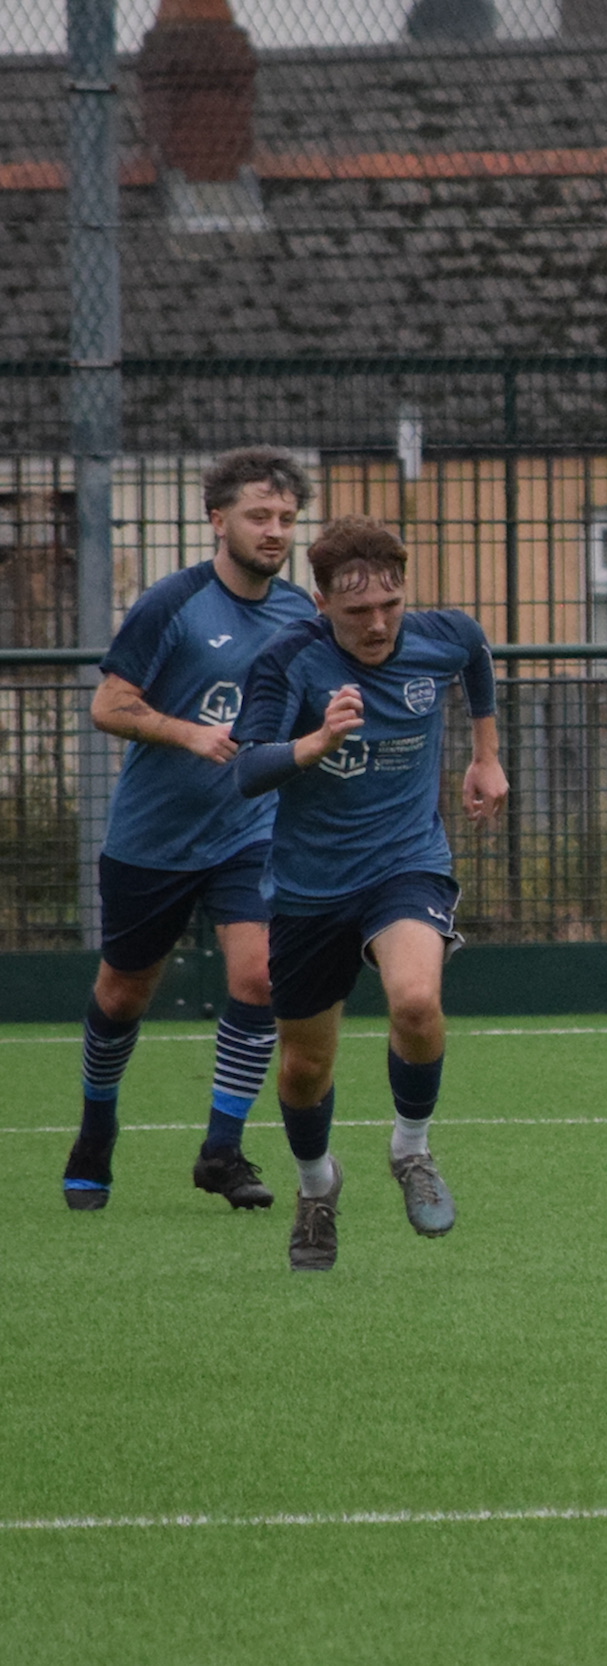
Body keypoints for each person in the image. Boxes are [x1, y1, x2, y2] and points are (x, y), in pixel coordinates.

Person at [231, 516, 507, 1272]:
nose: (379, 622)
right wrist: (316, 743)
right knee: (302, 1069)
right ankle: (317, 1189)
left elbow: (477, 651)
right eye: (358, 612)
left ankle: (411, 1151)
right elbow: (248, 769)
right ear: (320, 605)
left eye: (390, 603)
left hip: (405, 863)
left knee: (415, 1001)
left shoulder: (439, 635)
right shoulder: (288, 661)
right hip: (309, 888)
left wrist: (485, 757)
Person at [62, 447, 320, 1213]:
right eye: (258, 516)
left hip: (250, 831)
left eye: (284, 519)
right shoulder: (172, 603)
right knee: (123, 993)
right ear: (218, 521)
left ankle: (222, 1151)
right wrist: (187, 734)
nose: (273, 532)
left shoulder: (300, 614)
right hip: (155, 838)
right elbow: (109, 705)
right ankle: (96, 1129)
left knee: (260, 979)